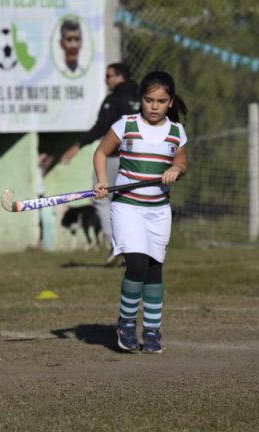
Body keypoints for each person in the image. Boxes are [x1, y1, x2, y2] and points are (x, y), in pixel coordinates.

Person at [93, 71, 188, 354]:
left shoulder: (176, 132)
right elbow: (101, 153)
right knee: (135, 264)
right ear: (141, 100)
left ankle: (152, 331)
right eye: (149, 100)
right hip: (127, 207)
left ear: (170, 102)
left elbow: (182, 162)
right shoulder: (126, 125)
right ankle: (125, 325)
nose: (154, 106)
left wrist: (175, 169)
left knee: (154, 269)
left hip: (158, 211)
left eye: (161, 101)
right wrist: (102, 180)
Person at [62, 63, 140, 264]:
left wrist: (78, 144)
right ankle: (135, 247)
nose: (106, 80)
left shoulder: (113, 100)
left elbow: (101, 127)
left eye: (109, 76)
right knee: (129, 202)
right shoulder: (143, 98)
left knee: (101, 198)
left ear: (120, 76)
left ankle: (117, 246)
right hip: (138, 158)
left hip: (113, 156)